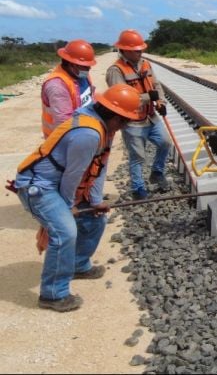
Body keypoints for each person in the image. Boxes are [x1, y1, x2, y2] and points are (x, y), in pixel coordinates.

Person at [15, 84, 143, 312]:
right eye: (124, 121)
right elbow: (71, 176)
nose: (125, 126)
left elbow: (99, 166)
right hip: (39, 187)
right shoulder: (88, 133)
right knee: (65, 232)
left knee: (95, 219)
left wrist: (94, 202)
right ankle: (53, 294)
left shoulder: (103, 127)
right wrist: (68, 206)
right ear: (114, 115)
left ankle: (77, 265)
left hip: (57, 184)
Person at [106, 29, 171, 200]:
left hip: (151, 116)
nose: (140, 52)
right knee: (137, 157)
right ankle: (138, 189)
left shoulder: (145, 64)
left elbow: (156, 85)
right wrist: (147, 97)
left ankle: (157, 172)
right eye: (136, 50)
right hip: (132, 121)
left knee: (165, 143)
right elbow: (120, 99)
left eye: (140, 49)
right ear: (124, 50)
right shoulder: (116, 71)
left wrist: (161, 101)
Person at [41, 39, 97, 138]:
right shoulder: (57, 85)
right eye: (85, 66)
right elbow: (64, 122)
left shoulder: (81, 75)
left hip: (84, 130)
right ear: (72, 64)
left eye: (89, 66)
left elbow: (89, 98)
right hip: (63, 139)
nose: (89, 69)